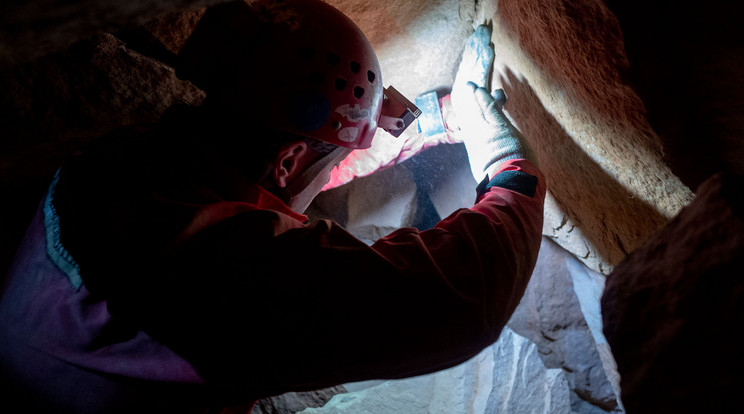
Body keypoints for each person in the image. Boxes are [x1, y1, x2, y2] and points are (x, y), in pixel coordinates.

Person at [0, 0, 545, 412]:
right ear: (288, 161)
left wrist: (434, 122)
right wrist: (505, 165)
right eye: (332, 161)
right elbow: (464, 299)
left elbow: (284, 170)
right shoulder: (228, 273)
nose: (335, 171)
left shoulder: (126, 160)